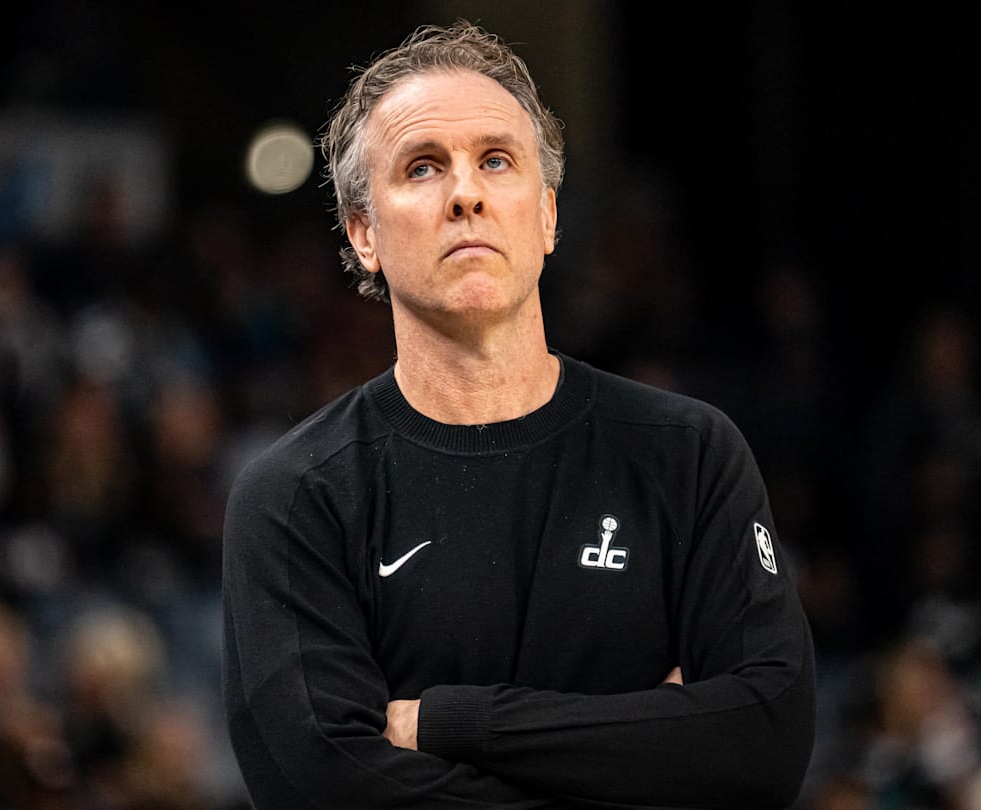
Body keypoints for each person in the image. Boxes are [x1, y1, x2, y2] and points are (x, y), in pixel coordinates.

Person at [221, 20, 816, 809]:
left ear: (547, 215)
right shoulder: (296, 495)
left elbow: (764, 740)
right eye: (423, 167)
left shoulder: (689, 454)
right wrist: (648, 746)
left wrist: (452, 722)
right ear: (364, 233)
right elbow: (325, 786)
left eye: (495, 161)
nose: (465, 192)